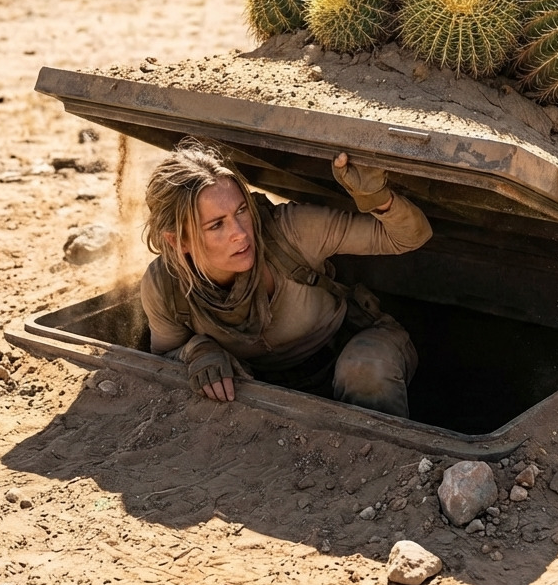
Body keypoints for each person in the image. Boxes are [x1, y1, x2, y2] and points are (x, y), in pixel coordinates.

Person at [140, 138, 432, 417]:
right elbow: (162, 357)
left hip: (350, 348)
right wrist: (198, 351)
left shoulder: (290, 231)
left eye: (242, 211)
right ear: (179, 242)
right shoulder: (165, 285)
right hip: (267, 384)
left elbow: (408, 237)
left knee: (365, 370)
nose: (241, 233)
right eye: (217, 225)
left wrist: (376, 197)